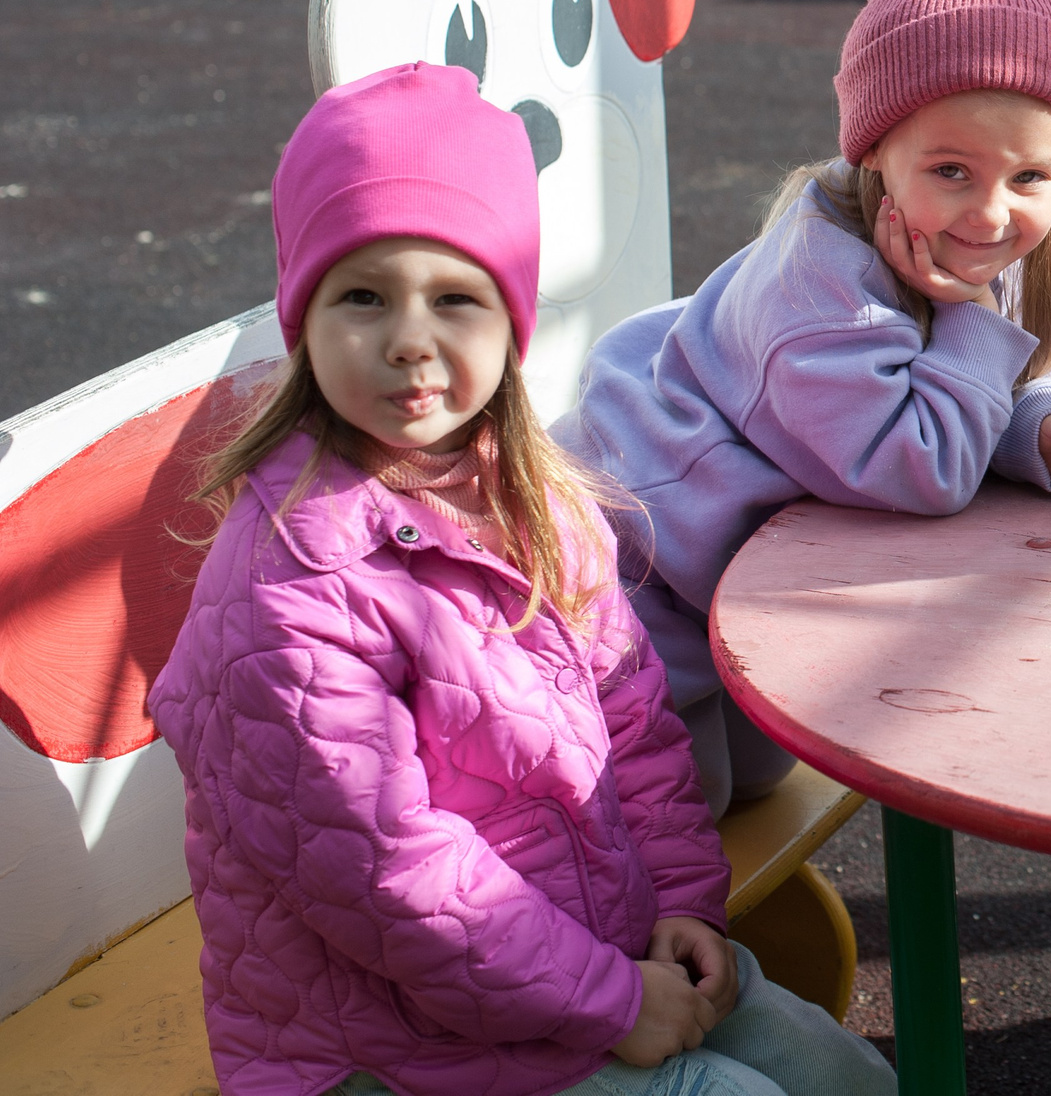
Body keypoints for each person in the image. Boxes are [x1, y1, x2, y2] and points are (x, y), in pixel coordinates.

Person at [148, 63, 897, 1096]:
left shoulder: (534, 501)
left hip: (565, 962)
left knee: (843, 1081)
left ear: (509, 327)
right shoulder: (291, 586)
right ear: (301, 317)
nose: (411, 341)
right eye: (362, 296)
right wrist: (614, 1002)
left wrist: (681, 901)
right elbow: (392, 881)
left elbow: (630, 728)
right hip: (384, 1042)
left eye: (456, 299)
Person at [556, 0, 1051, 820]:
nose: (991, 213)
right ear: (875, 153)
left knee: (759, 785)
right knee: (669, 816)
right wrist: (968, 325)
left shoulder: (977, 252)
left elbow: (1011, 384)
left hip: (724, 572)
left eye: (1030, 179)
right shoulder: (821, 289)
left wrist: (1039, 429)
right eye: (951, 170)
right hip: (626, 585)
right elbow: (920, 467)